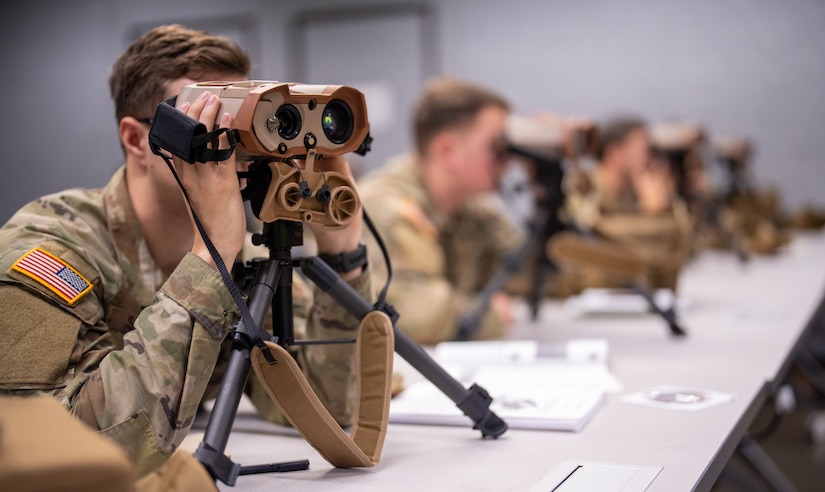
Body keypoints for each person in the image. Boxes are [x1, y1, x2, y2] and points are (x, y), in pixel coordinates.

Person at [0, 24, 372, 477]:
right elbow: (70, 451)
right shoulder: (53, 245)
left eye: (245, 122)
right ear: (139, 140)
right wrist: (209, 256)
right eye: (210, 121)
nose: (237, 150)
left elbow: (325, 407)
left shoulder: (249, 240)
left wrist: (342, 256)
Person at [357, 77, 524, 345]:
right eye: (497, 147)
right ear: (448, 152)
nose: (508, 161)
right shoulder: (385, 206)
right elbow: (412, 317)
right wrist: (491, 314)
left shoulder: (471, 210)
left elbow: (530, 276)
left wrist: (546, 191)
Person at [563, 116, 693, 291]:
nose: (649, 157)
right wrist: (655, 217)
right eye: (641, 149)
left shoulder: (640, 189)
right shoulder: (587, 185)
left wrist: (663, 209)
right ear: (615, 153)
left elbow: (677, 252)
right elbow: (586, 236)